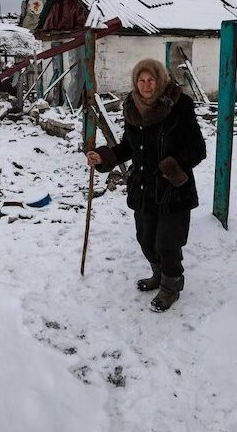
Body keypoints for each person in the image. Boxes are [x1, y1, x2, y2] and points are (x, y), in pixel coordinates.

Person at [86, 58, 206, 312]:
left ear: (160, 79)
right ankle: (159, 275)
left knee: (168, 242)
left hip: (172, 188)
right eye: (141, 80)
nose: (146, 85)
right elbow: (128, 147)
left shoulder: (179, 105)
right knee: (146, 239)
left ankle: (171, 286)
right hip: (143, 187)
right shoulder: (132, 107)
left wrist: (172, 167)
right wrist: (104, 157)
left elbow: (198, 148)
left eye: (151, 79)